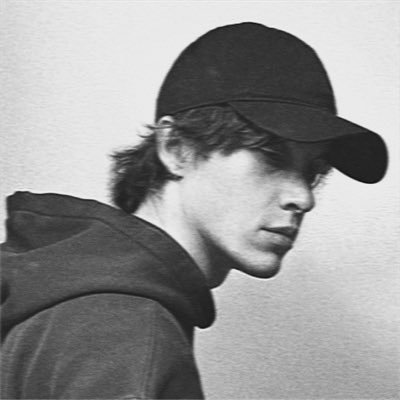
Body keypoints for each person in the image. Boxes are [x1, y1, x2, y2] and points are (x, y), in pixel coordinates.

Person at [1, 22, 387, 399]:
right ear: (177, 149)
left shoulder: (83, 303)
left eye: (312, 172)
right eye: (272, 156)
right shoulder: (128, 333)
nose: (303, 197)